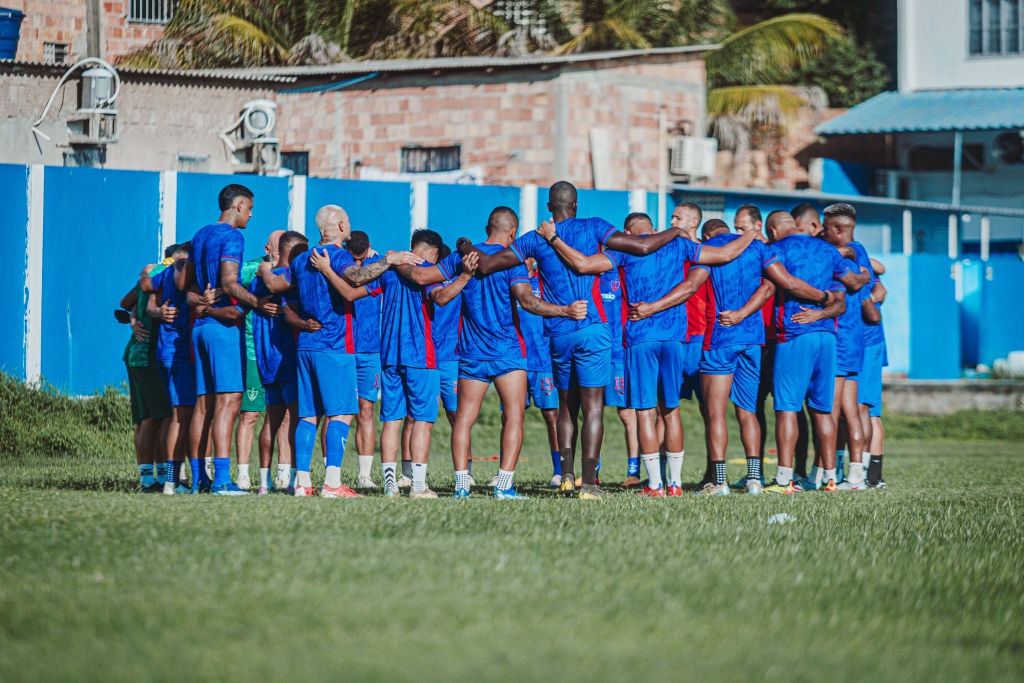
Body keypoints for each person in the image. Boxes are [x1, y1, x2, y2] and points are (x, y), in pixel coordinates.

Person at [459, 182, 693, 500]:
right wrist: (674, 233)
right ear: (576, 206)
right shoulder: (594, 226)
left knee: (567, 408)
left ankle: (567, 476)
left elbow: (485, 265)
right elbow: (642, 247)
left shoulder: (534, 238)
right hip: (592, 329)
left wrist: (463, 246)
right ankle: (590, 484)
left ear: (548, 208)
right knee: (593, 408)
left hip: (559, 333)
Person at [538, 212, 758, 497]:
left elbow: (582, 265)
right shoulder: (679, 245)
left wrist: (553, 239)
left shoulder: (622, 251)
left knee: (644, 412)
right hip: (674, 337)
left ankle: (655, 485)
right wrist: (752, 232)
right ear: (653, 228)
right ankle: (675, 484)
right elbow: (726, 254)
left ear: (628, 232)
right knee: (671, 410)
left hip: (641, 336)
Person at [261, 205, 420, 498]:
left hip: (306, 346)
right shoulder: (340, 256)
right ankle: (333, 483)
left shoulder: (301, 260)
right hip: (334, 345)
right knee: (343, 413)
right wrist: (389, 259)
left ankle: (302, 482)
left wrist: (264, 271)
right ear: (342, 225)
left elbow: (278, 283)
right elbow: (356, 278)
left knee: (308, 416)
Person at [449, 207, 585, 500]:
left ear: (487, 227)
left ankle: (462, 486)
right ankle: (503, 487)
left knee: (463, 419)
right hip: (507, 352)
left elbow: (430, 280)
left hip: (472, 352)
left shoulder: (464, 256)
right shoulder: (512, 262)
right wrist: (564, 310)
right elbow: (527, 300)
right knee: (514, 418)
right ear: (513, 233)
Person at [322, 228, 453, 499]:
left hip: (390, 355)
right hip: (421, 356)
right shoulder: (427, 270)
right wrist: (464, 275)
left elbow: (350, 293)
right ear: (434, 252)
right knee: (422, 422)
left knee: (391, 421)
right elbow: (441, 297)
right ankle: (418, 487)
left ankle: (390, 486)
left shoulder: (389, 270)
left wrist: (326, 270)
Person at [175, 184, 274, 495]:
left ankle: (197, 481)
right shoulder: (233, 236)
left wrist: (201, 304)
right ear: (239, 205)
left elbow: (185, 287)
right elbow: (230, 284)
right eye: (250, 208)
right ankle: (220, 480)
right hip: (221, 330)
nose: (252, 214)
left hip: (201, 328)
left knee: (203, 405)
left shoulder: (202, 234)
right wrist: (259, 304)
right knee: (228, 403)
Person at [759, 210, 866, 494]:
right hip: (828, 338)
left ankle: (784, 480)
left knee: (786, 409)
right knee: (822, 410)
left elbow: (784, 285)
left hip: (795, 335)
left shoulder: (776, 249)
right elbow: (841, 301)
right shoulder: (827, 251)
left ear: (772, 231)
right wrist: (822, 314)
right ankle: (830, 479)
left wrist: (813, 311)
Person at [686, 220, 778, 495]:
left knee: (716, 414)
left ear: (706, 234)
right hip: (752, 339)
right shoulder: (756, 247)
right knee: (748, 411)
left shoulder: (707, 248)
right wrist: (745, 312)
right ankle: (754, 480)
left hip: (720, 337)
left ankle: (720, 481)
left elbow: (692, 286)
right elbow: (770, 286)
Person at [819, 203, 872, 490]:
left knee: (830, 408)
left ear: (839, 229)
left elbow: (843, 266)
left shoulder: (847, 252)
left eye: (825, 228)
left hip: (840, 341)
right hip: (854, 340)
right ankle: (855, 475)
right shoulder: (861, 251)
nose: (822, 233)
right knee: (850, 410)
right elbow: (865, 278)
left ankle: (827, 474)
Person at [249, 230, 307, 494]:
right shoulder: (289, 277)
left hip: (265, 359)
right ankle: (296, 479)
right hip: (288, 357)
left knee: (271, 421)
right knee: (296, 419)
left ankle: (263, 484)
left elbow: (242, 304)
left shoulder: (260, 279)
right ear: (295, 250)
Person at [140, 243, 197, 495]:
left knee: (174, 417)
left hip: (167, 352)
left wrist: (155, 310)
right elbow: (146, 287)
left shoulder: (166, 271)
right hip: (180, 352)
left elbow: (146, 285)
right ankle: (172, 482)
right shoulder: (184, 268)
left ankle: (172, 478)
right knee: (180, 417)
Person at [234, 230, 284, 490]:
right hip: (255, 353)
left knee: (286, 417)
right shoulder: (252, 268)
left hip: (284, 355)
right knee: (250, 414)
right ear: (267, 248)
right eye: (277, 247)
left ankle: (283, 475)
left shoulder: (293, 270)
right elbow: (228, 282)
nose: (281, 252)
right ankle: (243, 474)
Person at [120, 262, 172, 492]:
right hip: (148, 355)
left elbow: (125, 303)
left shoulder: (150, 274)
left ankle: (148, 479)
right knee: (159, 418)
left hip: (135, 353)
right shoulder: (166, 276)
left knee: (147, 420)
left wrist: (133, 319)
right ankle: (157, 479)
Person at [426, 243, 475, 485]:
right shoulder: (424, 282)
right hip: (426, 358)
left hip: (453, 359)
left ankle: (467, 473)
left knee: (458, 417)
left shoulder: (462, 284)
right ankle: (410, 474)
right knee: (419, 418)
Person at [671, 203, 712, 485]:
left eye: (678, 217)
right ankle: (662, 477)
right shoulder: (668, 249)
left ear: (694, 221)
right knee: (666, 408)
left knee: (710, 410)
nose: (671, 221)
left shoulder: (706, 254)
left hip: (700, 340)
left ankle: (713, 474)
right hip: (673, 338)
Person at [345, 230, 385, 489]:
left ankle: (364, 475)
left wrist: (378, 260)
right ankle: (332, 473)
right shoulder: (339, 265)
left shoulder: (380, 266)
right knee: (338, 412)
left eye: (362, 258)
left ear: (370, 248)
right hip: (343, 348)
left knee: (366, 411)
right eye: (354, 258)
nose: (358, 264)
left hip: (370, 350)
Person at [521, 257, 564, 487]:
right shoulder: (510, 281)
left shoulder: (544, 282)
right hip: (515, 359)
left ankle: (559, 471)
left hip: (543, 360)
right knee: (511, 416)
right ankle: (505, 473)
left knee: (552, 416)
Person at [600, 266, 639, 488]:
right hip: (593, 351)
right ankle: (592, 471)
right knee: (592, 412)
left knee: (626, 414)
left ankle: (633, 472)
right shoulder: (588, 274)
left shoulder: (624, 274)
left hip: (619, 352)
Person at [860, 262, 888, 488]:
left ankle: (872, 477)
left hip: (867, 345)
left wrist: (867, 300)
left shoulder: (856, 256)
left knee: (868, 412)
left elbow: (882, 284)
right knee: (863, 412)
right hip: (866, 345)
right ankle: (870, 475)